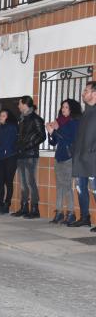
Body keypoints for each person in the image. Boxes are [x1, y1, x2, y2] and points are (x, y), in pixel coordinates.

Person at [46, 99, 81, 224]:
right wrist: (50, 132)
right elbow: (54, 142)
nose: (63, 109)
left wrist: (55, 130)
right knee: (59, 186)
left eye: (66, 107)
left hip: (68, 157)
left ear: (72, 109)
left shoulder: (74, 122)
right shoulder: (59, 122)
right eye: (62, 107)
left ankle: (71, 213)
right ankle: (59, 212)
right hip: (59, 156)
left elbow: (69, 139)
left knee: (66, 186)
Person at [11, 96, 46, 219]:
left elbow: (42, 136)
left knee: (31, 182)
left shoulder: (36, 119)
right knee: (23, 183)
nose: (18, 106)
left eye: (19, 104)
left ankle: (35, 209)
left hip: (30, 154)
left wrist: (27, 146)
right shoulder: (22, 119)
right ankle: (24, 207)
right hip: (21, 154)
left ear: (25, 104)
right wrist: (18, 146)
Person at [69, 81, 96, 231]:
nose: (83, 93)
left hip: (93, 159)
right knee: (80, 188)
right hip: (80, 159)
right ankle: (85, 217)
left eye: (86, 91)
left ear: (94, 94)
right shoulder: (85, 113)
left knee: (95, 189)